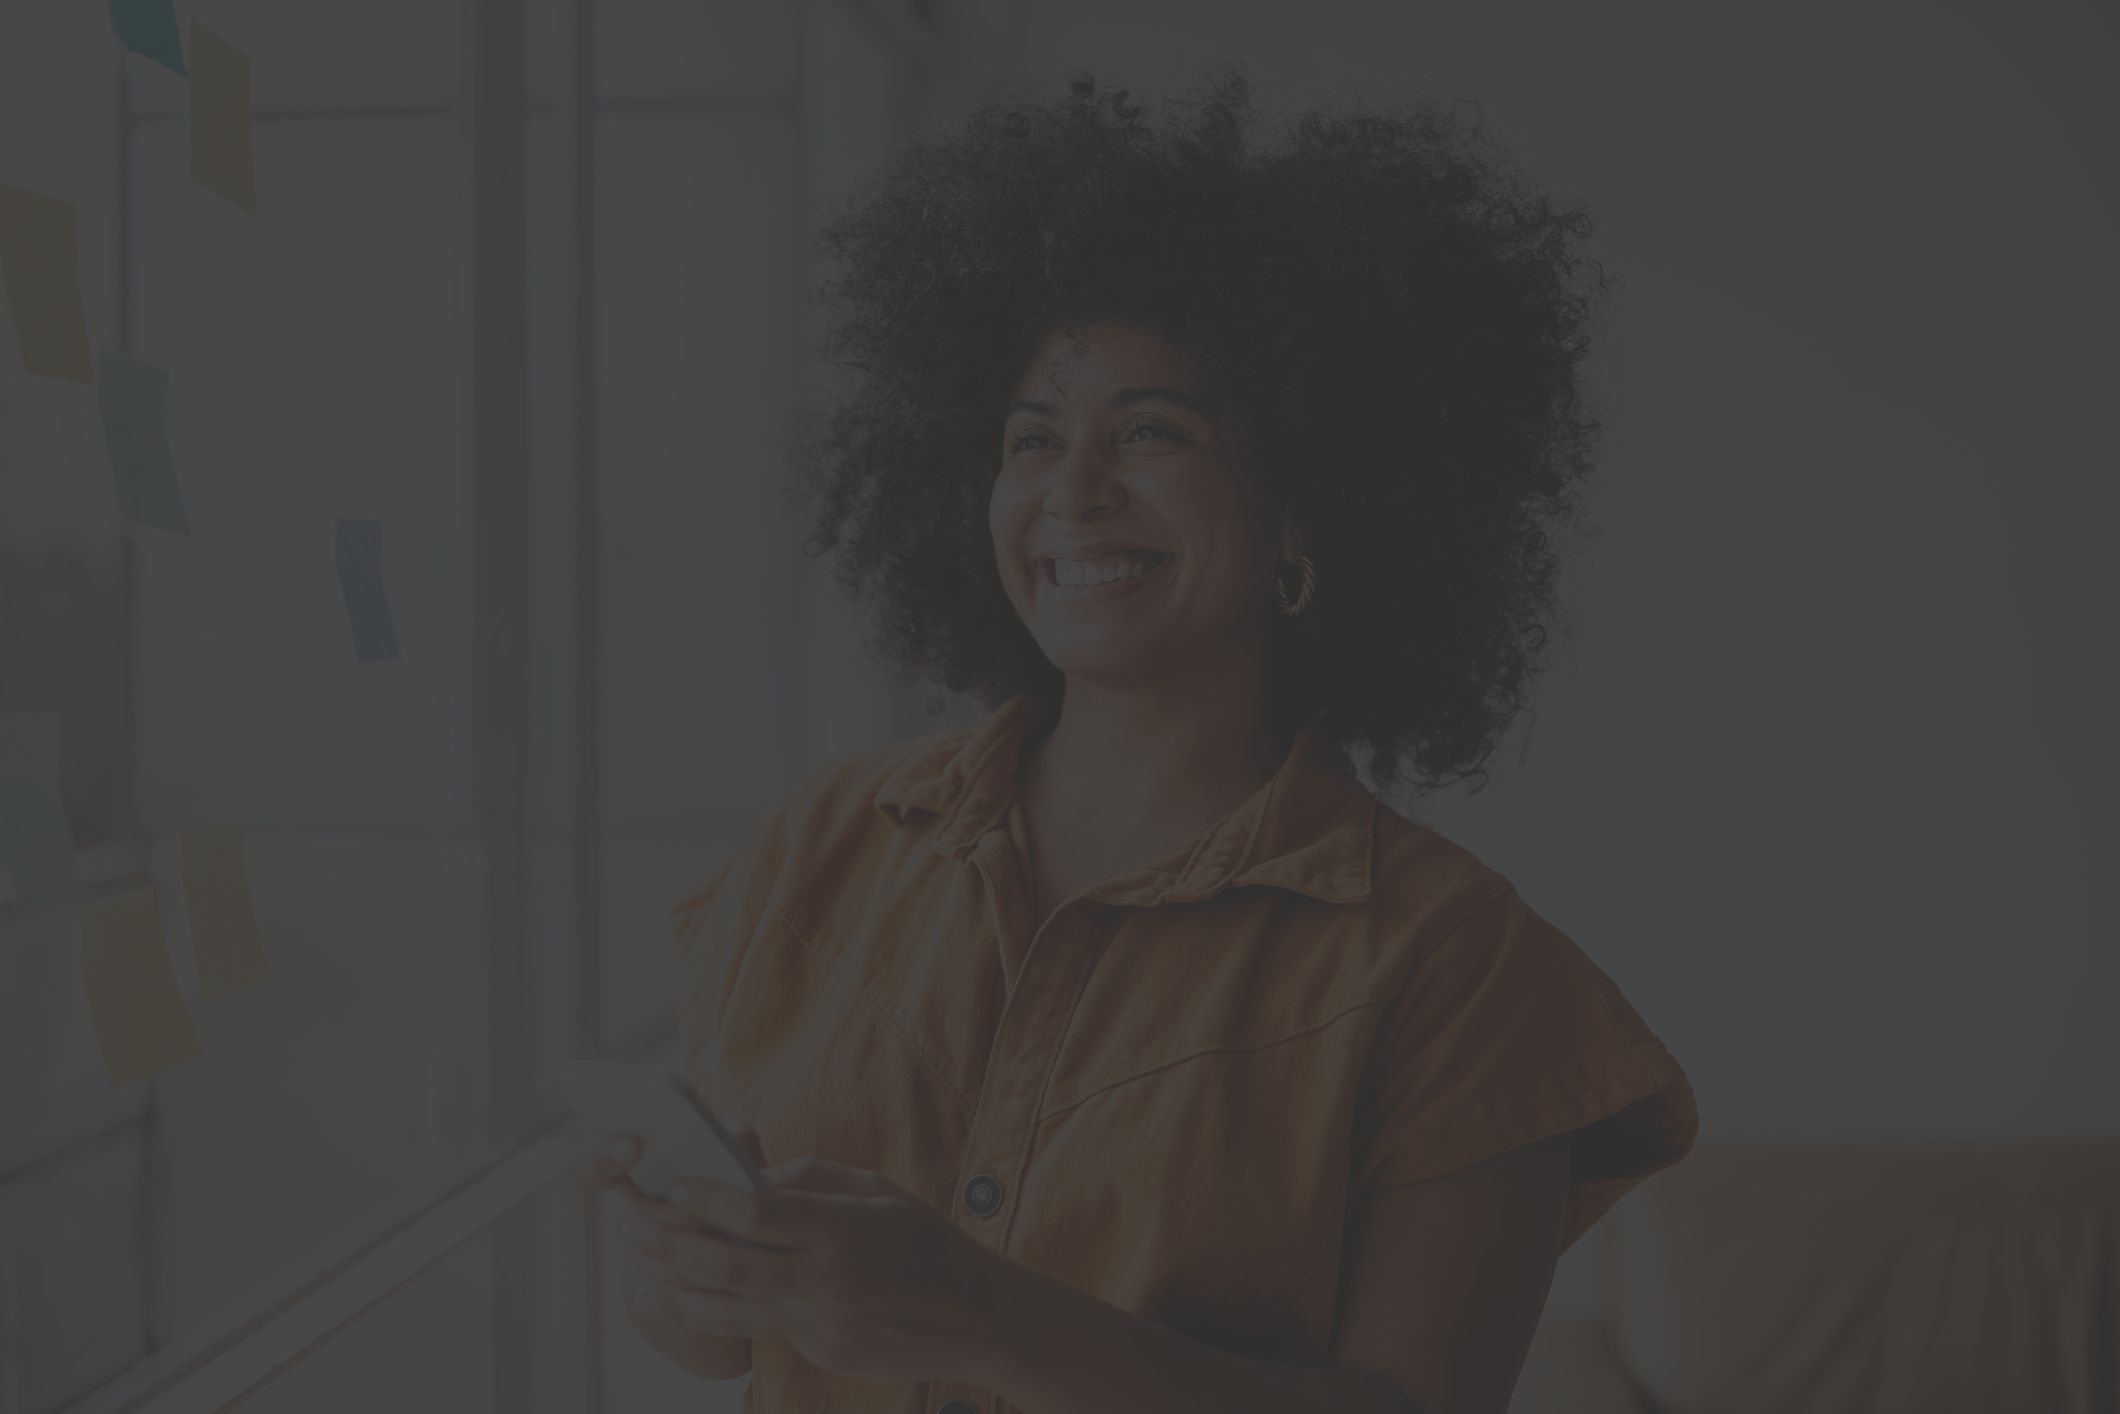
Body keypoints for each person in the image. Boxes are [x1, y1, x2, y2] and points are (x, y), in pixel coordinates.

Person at [578, 63, 1696, 1414]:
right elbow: (710, 1340)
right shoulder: (824, 842)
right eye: (1030, 439)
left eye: (1150, 429)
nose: (1073, 492)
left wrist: (986, 1319)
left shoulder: (1458, 966)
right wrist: (682, 1276)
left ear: (1304, 503)